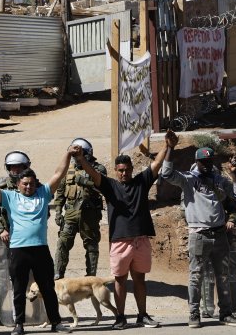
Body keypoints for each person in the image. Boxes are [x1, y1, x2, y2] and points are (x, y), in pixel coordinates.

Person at [0, 146, 79, 335]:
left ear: (35, 184)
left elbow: (59, 173)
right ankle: (19, 325)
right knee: (18, 290)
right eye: (24, 183)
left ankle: (56, 323)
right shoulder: (10, 197)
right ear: (18, 184)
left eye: (31, 183)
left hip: (40, 249)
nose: (28, 186)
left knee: (47, 288)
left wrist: (67, 152)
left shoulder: (43, 193)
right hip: (19, 250)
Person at [76, 131, 177, 330]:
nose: (124, 173)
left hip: (141, 240)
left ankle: (142, 315)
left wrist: (168, 146)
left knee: (140, 280)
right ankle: (120, 318)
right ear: (115, 170)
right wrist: (80, 158)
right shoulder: (109, 185)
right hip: (120, 241)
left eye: (127, 169)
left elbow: (156, 164)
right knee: (120, 280)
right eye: (120, 170)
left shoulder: (141, 182)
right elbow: (93, 173)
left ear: (132, 169)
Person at [161, 142, 236, 328]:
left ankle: (226, 313)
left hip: (220, 234)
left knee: (222, 275)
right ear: (197, 162)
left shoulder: (219, 180)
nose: (206, 164)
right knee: (195, 276)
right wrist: (169, 149)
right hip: (199, 234)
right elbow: (166, 174)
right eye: (203, 161)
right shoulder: (188, 179)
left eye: (209, 160)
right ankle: (194, 314)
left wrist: (235, 173)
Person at [0, 150, 31, 327]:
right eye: (12, 167)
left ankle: (29, 314)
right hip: (4, 237)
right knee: (3, 274)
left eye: (19, 166)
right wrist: (1, 229)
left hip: (27, 238)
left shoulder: (32, 184)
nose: (16, 170)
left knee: (28, 274)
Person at [53, 138, 107, 279]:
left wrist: (86, 182)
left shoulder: (98, 169)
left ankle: (91, 276)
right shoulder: (68, 170)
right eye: (74, 155)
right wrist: (58, 211)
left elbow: (104, 188)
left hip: (90, 213)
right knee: (63, 243)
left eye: (80, 154)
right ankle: (58, 274)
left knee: (91, 245)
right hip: (70, 213)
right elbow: (60, 193)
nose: (76, 157)